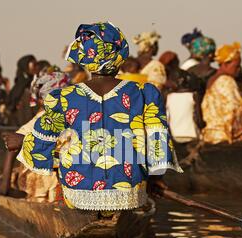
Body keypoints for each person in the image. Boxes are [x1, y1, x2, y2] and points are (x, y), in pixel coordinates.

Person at [19, 21, 182, 212]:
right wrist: (155, 180)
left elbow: (40, 147)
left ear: (85, 58)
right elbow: (158, 146)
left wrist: (20, 141)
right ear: (121, 55)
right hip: (129, 193)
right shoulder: (145, 93)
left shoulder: (64, 97)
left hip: (79, 193)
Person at [0, 71, 71, 200]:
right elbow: (13, 144)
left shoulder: (58, 116)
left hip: (48, 174)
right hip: (43, 178)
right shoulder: (46, 118)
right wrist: (5, 184)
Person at [200, 42, 242, 144]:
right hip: (225, 136)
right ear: (225, 64)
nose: (239, 69)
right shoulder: (226, 81)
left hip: (210, 135)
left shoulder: (212, 80)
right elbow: (233, 109)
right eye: (236, 66)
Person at [6, 55, 39, 126]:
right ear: (26, 67)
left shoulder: (34, 85)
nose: (37, 67)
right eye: (34, 65)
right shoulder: (23, 89)